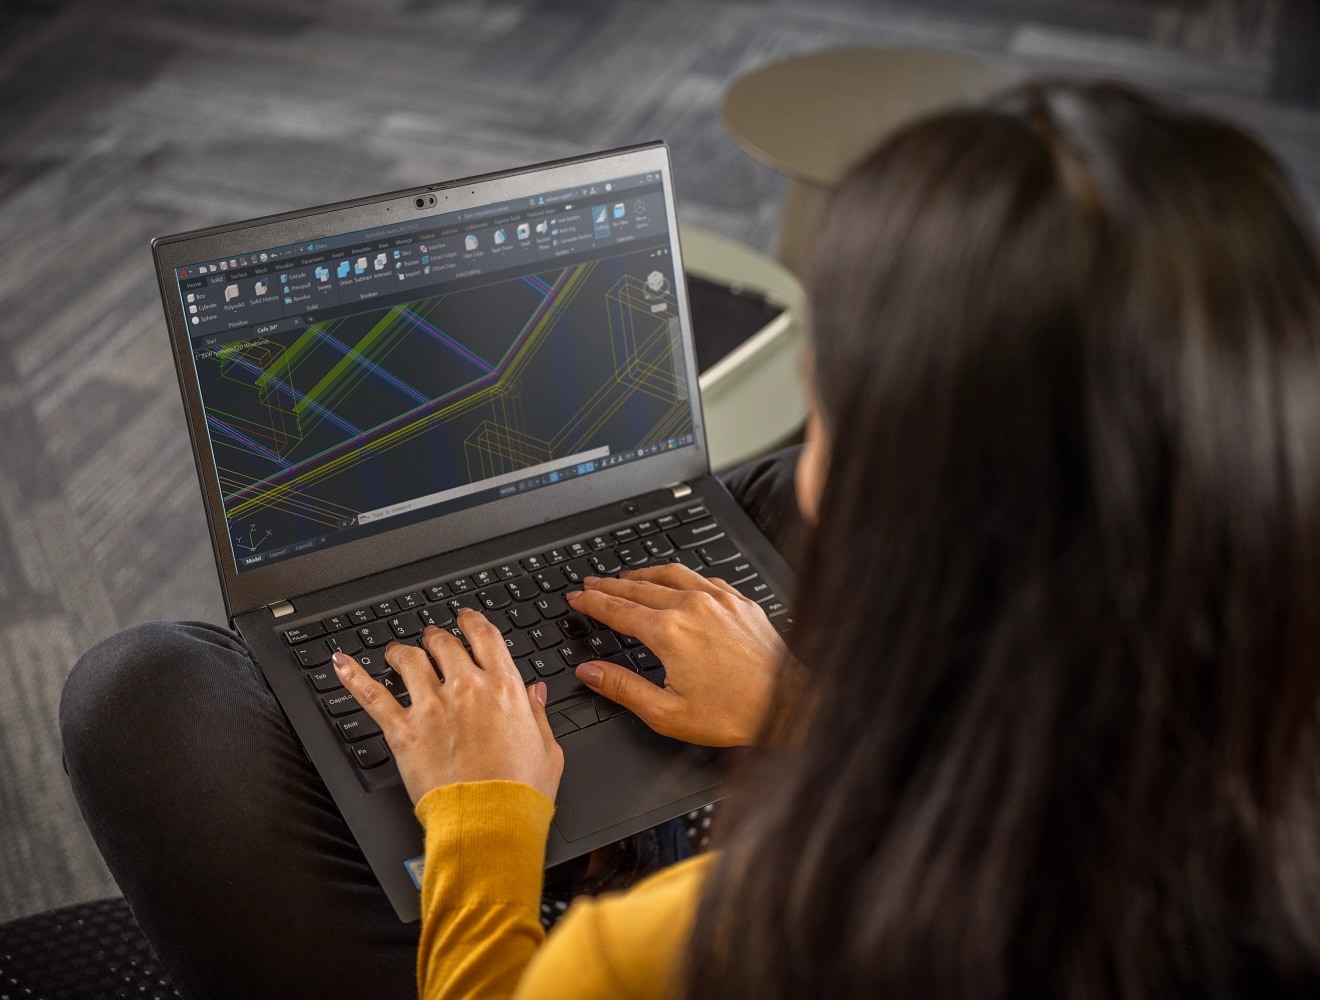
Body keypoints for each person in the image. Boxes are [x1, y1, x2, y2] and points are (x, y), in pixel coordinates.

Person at [62, 77, 1320, 999]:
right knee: (734, 506)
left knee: (143, 694)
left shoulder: (688, 947)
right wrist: (807, 718)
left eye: (839, 396)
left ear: (930, 531)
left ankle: (571, 836)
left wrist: (487, 817)